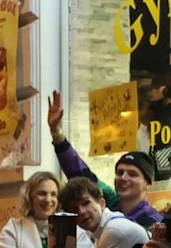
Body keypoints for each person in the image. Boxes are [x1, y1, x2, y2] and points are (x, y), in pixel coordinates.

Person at [46, 93, 163, 228]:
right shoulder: (111, 203)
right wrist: (56, 132)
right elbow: (79, 172)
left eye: (132, 174)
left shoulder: (153, 222)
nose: (124, 178)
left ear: (147, 183)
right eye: (120, 172)